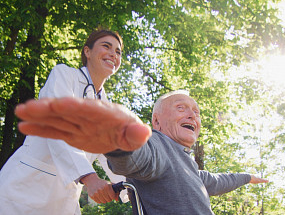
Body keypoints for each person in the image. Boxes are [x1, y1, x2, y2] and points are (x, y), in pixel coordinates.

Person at [14, 90, 268, 214]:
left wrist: (247, 177)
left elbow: (216, 181)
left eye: (196, 111)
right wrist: (116, 142)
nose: (192, 114)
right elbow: (139, 160)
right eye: (181, 108)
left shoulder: (188, 166)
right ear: (156, 122)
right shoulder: (158, 144)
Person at [0, 28, 129, 215]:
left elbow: (112, 154)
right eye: (106, 46)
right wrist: (89, 177)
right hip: (25, 191)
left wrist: (132, 187)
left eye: (118, 51)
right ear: (87, 52)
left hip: (64, 202)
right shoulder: (64, 75)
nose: (113, 54)